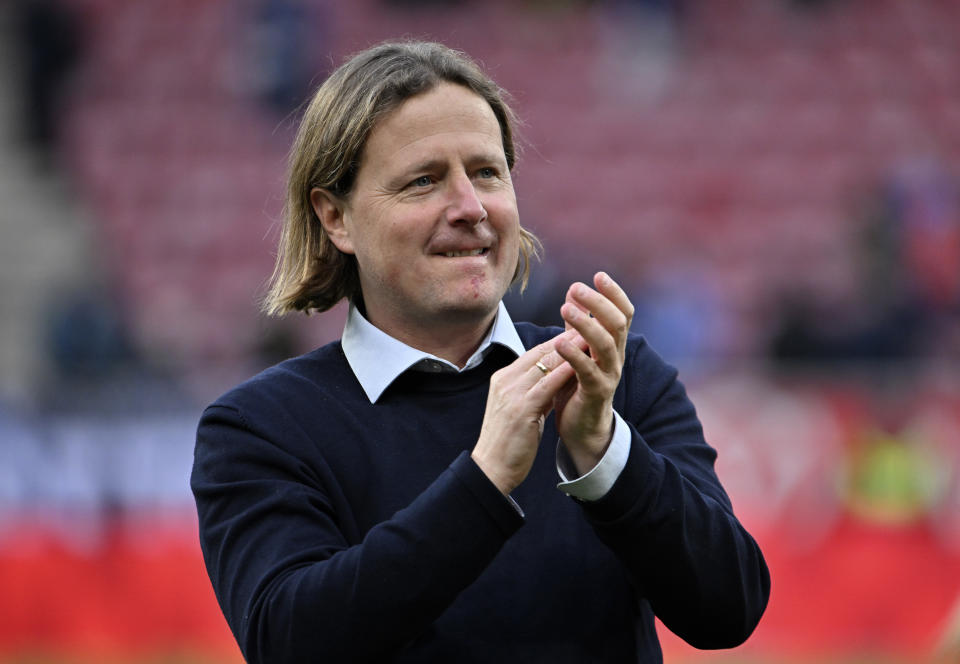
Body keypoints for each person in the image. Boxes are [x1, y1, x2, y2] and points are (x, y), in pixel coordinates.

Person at [191, 40, 769, 663]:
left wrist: (604, 457)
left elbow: (728, 608)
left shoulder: (613, 376)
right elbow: (291, 643)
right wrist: (485, 480)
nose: (470, 208)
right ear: (336, 218)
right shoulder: (260, 428)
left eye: (487, 172)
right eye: (423, 181)